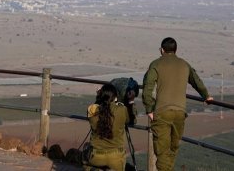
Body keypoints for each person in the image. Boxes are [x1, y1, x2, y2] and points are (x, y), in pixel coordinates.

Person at [142, 37, 213, 171]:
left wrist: (149, 109)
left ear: (161, 50)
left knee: (162, 151)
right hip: (180, 113)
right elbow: (196, 81)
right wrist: (206, 96)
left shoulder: (156, 64)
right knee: (173, 148)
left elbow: (147, 88)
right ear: (176, 50)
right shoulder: (184, 64)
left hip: (162, 113)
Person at [85, 83, 130, 171]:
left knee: (85, 151)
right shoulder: (122, 110)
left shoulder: (92, 110)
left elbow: (95, 107)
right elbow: (129, 120)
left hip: (96, 157)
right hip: (116, 157)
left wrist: (99, 96)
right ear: (115, 97)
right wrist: (130, 101)